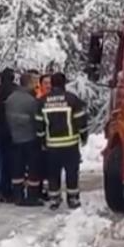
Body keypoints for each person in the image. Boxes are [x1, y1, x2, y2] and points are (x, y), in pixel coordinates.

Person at [35, 73, 88, 210]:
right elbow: (80, 120)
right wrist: (83, 136)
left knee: (53, 173)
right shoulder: (72, 99)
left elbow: (39, 124)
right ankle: (73, 198)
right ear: (64, 83)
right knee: (72, 172)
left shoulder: (43, 101)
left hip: (52, 145)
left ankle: (54, 198)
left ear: (52, 84)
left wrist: (42, 140)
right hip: (70, 144)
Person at [6, 72, 45, 207]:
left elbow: (8, 118)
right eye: (34, 82)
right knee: (33, 168)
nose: (36, 85)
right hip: (30, 138)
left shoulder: (10, 99)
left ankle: (18, 195)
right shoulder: (31, 101)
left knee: (17, 168)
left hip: (14, 138)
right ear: (28, 83)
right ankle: (32, 196)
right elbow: (36, 120)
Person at [0, 68, 18, 202]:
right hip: (14, 129)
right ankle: (14, 190)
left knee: (3, 161)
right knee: (15, 161)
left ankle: (4, 191)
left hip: (0, 129)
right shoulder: (16, 91)